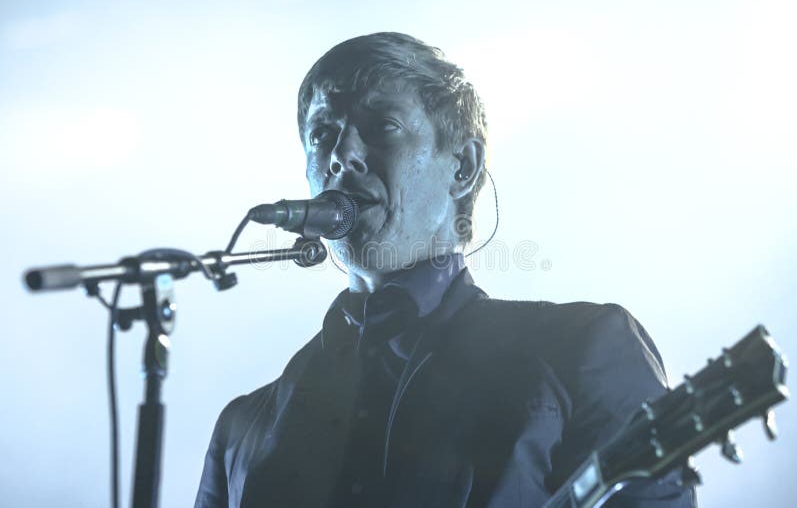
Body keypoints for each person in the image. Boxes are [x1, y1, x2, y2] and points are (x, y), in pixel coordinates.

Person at [194, 32, 696, 507]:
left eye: (382, 126)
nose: (342, 155)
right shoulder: (243, 427)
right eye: (322, 133)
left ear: (463, 167)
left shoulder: (583, 349)